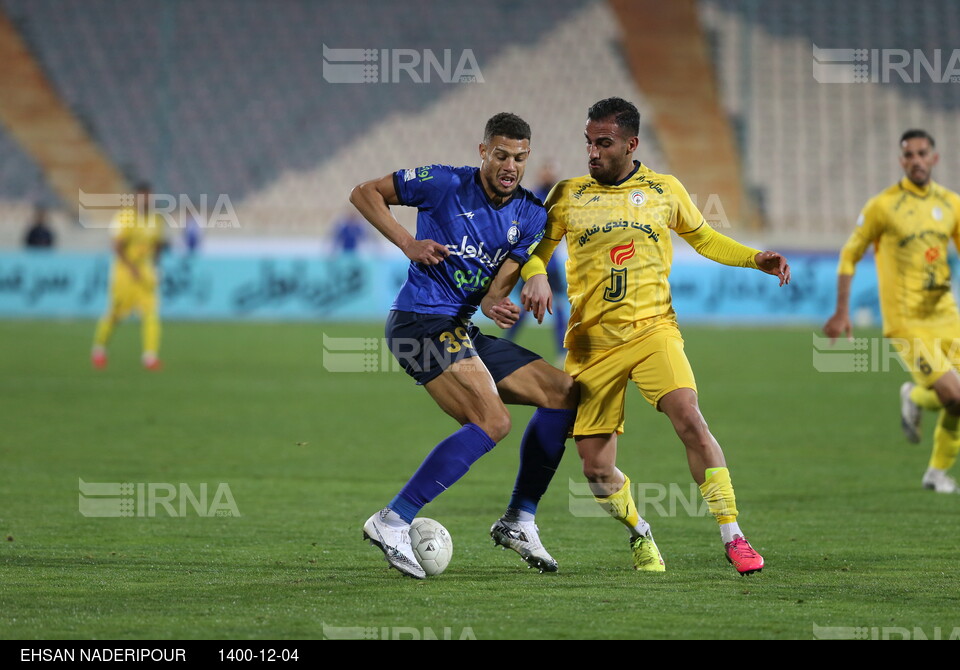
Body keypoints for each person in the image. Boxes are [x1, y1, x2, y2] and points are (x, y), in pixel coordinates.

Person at [520, 98, 790, 575]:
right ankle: (640, 532)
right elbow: (535, 252)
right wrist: (536, 273)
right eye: (588, 143)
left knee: (689, 417)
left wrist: (754, 258)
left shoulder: (664, 190)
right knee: (597, 470)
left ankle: (734, 535)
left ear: (631, 144)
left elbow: (705, 237)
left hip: (653, 331)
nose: (592, 153)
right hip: (590, 346)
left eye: (603, 143)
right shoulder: (566, 194)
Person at [350, 113, 578, 579]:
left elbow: (505, 276)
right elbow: (363, 193)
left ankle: (519, 519)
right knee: (493, 421)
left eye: (518, 157)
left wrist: (496, 300)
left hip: (458, 328)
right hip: (418, 324)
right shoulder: (441, 182)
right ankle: (392, 520)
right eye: (500, 155)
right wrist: (408, 242)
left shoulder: (532, 213)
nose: (509, 165)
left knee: (563, 393)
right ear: (483, 152)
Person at [824, 129, 960, 494]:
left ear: (934, 158)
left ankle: (936, 473)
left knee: (959, 400)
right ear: (901, 161)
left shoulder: (951, 204)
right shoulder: (882, 206)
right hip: (907, 321)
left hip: (947, 315)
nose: (915, 160)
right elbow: (849, 254)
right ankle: (915, 396)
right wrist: (841, 311)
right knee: (955, 396)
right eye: (908, 155)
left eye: (922, 153)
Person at [91, 182, 166, 371]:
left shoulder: (156, 219)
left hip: (145, 272)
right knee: (116, 313)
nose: (147, 200)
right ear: (135, 198)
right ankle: (99, 349)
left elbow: (158, 243)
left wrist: (156, 263)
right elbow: (117, 245)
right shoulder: (125, 218)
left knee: (151, 313)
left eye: (149, 196)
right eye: (143, 197)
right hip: (125, 273)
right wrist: (131, 267)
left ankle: (150, 357)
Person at [505, 161, 567, 359]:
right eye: (545, 171)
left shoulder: (561, 198)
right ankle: (506, 343)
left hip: (553, 264)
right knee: (525, 305)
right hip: (532, 262)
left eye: (551, 171)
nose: (548, 175)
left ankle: (561, 350)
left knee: (558, 306)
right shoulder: (531, 198)